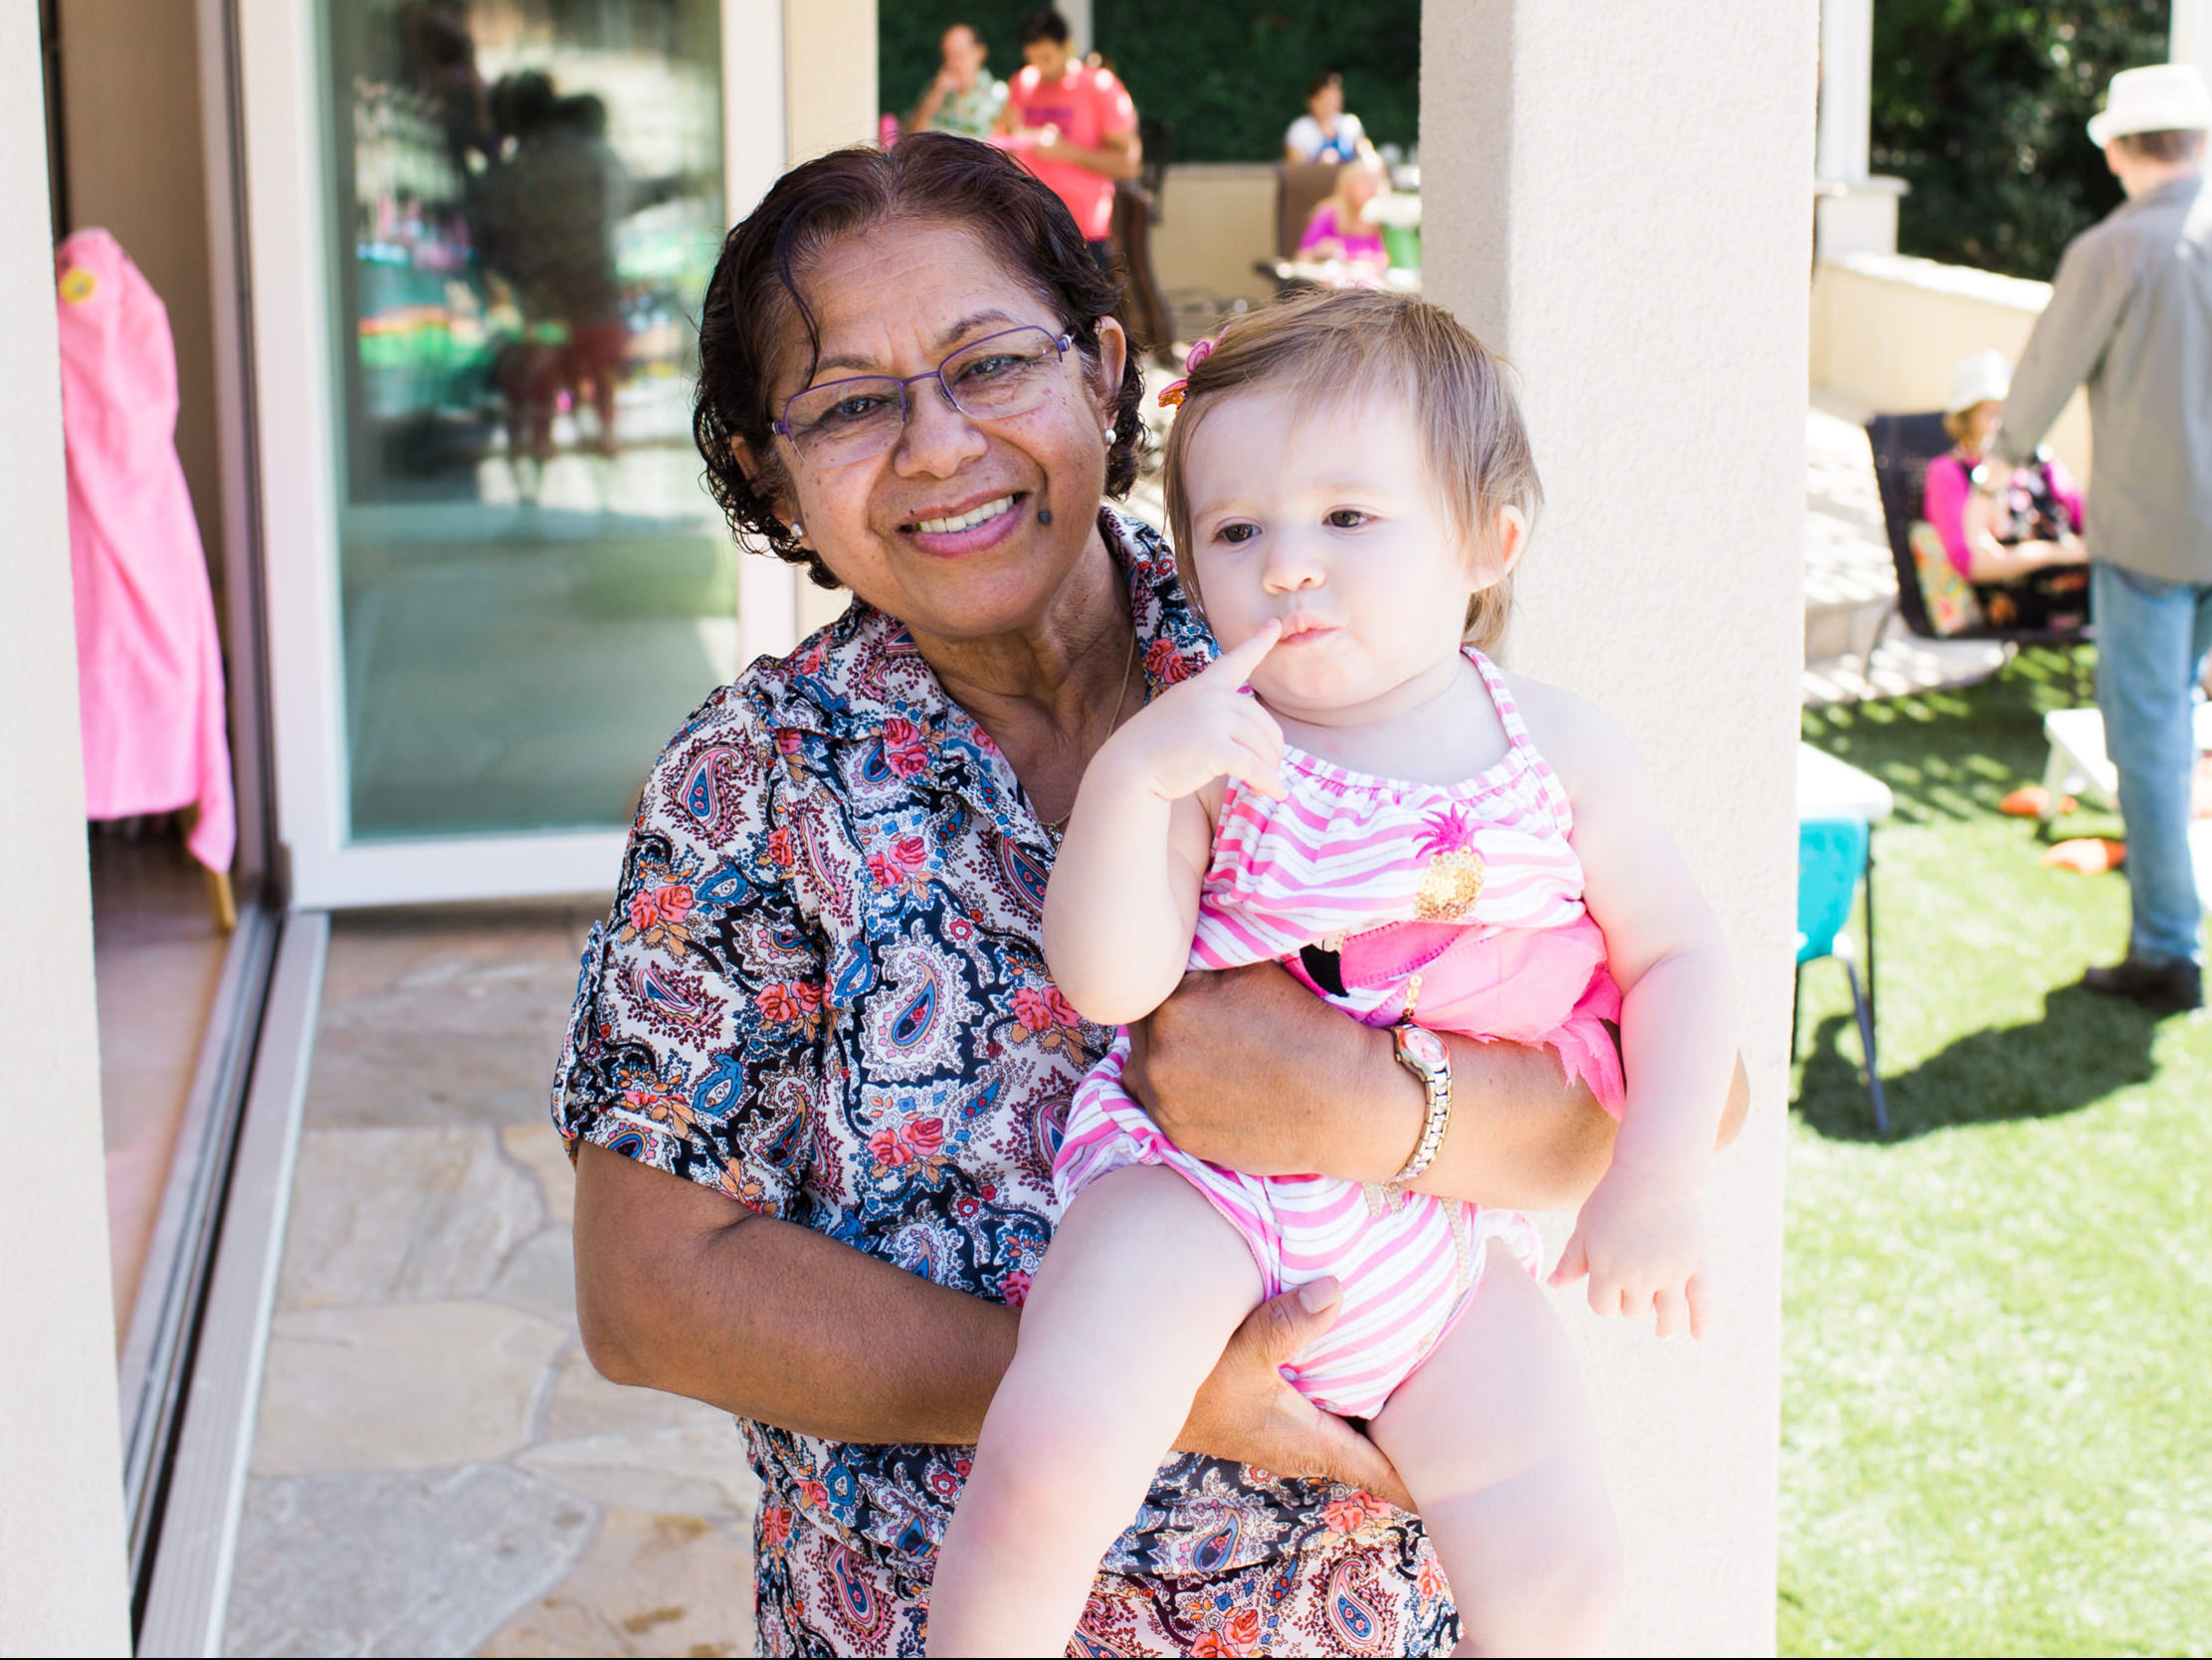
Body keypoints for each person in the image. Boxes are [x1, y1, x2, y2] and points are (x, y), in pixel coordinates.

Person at [556, 133, 1748, 1655]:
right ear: (772, 475)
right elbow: (648, 1295)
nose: (934, 446)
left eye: (989, 365)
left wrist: (1367, 1107)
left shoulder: (1324, 625)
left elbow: (1671, 1084)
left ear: (1104, 373)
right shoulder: (753, 786)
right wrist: (1146, 1383)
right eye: (851, 404)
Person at [925, 292, 1737, 1656]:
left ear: (1488, 542)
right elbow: (1110, 984)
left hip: (1429, 1242)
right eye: (1238, 533)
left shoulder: (1558, 750)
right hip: (1192, 1196)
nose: (1288, 566)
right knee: (1053, 1454)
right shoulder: (1218, 747)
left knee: (1563, 1571)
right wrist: (1132, 783)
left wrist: (1652, 1177)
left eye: (1347, 519)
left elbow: (1680, 958)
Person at [1998, 63, 2212, 1014]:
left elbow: (2041, 377)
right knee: (2176, 729)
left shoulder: (2117, 248)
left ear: (2122, 149)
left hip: (2154, 539)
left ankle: (2168, 948)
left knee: (2152, 739)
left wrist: (1997, 465)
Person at [1919, 349, 2090, 631]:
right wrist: (2055, 553)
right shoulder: (1949, 473)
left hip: (2076, 578)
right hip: (2011, 599)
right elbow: (1970, 563)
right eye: (1990, 414)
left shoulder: (2041, 463)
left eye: (2009, 415)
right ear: (1966, 419)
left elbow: (2083, 515)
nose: (2002, 426)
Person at [994, 9, 1139, 271]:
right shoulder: (1022, 82)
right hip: (1028, 226)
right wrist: (1007, 129)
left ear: (1067, 47)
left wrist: (1067, 152)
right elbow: (1000, 147)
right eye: (1033, 59)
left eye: (1047, 57)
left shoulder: (1098, 87)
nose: (1040, 67)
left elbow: (1129, 164)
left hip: (1082, 231)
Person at [903, 22, 1006, 140]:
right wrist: (935, 96)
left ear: (980, 52)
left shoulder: (999, 95)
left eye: (959, 55)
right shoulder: (934, 91)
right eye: (946, 56)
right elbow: (911, 139)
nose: (951, 64)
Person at [1295, 154, 1391, 280]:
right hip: (1336, 290)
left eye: (1378, 180)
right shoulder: (1329, 214)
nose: (1374, 187)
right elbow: (1302, 257)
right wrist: (1319, 252)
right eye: (1366, 180)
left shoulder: (1388, 218)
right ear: (1349, 185)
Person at [1285, 71, 1372, 165]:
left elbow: (1366, 152)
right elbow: (1295, 167)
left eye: (1334, 98)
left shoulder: (1350, 123)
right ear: (1311, 101)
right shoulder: (1300, 128)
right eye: (1326, 99)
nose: (1330, 104)